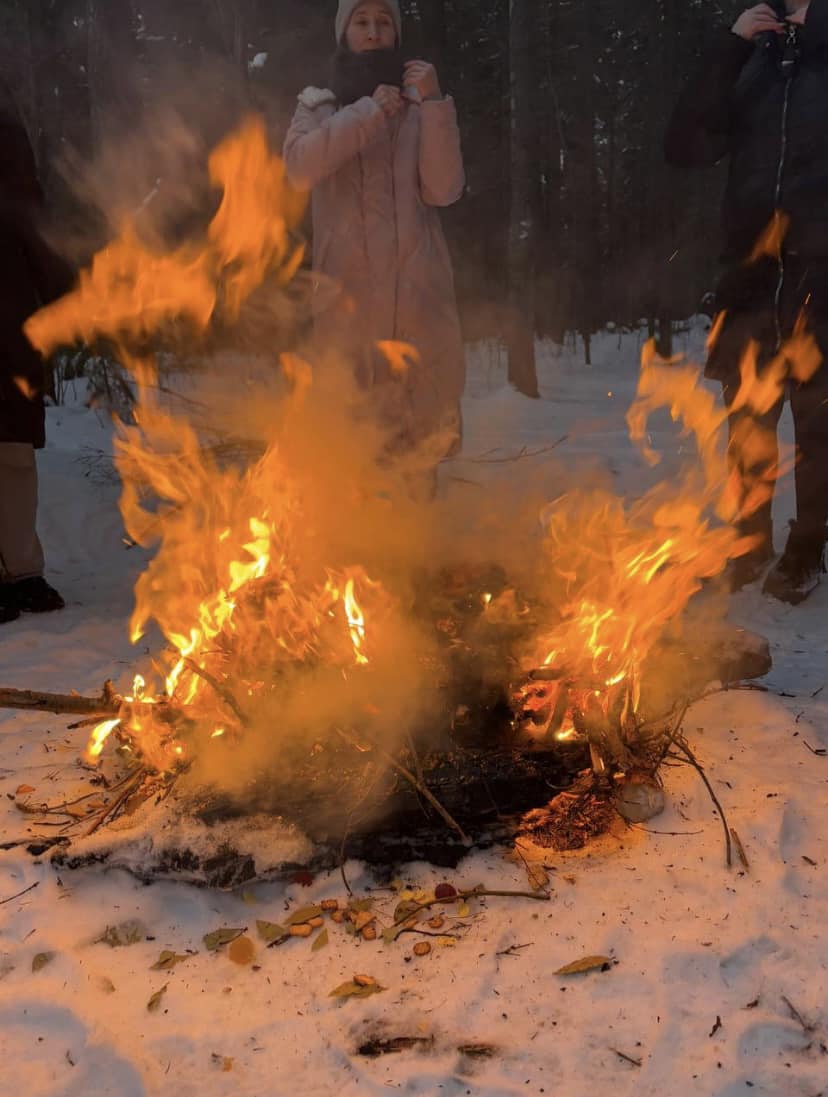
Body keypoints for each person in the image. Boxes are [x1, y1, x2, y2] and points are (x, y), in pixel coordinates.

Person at [665, 0, 828, 604]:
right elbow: (684, 146)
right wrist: (731, 46)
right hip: (751, 273)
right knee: (748, 424)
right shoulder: (754, 58)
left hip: (821, 272)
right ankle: (747, 541)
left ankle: (808, 547)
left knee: (819, 423)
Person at [283, 0, 466, 467]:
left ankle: (420, 539)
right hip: (348, 306)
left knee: (418, 455)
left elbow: (445, 189)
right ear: (344, 32)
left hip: (417, 306)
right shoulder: (318, 106)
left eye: (384, 22)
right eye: (362, 22)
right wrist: (365, 113)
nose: (373, 31)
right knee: (353, 453)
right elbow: (299, 169)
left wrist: (437, 103)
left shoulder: (419, 107)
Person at [0, 82, 73, 623]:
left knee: (13, 454)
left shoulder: (7, 134)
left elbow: (34, 221)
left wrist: (66, 296)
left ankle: (22, 572)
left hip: (9, 325)